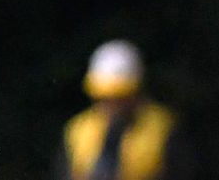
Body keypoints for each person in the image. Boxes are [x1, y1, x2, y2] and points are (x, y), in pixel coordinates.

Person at [56, 40, 195, 180]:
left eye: (120, 96)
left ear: (136, 91)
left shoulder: (164, 129)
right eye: (104, 96)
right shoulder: (78, 130)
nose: (112, 105)